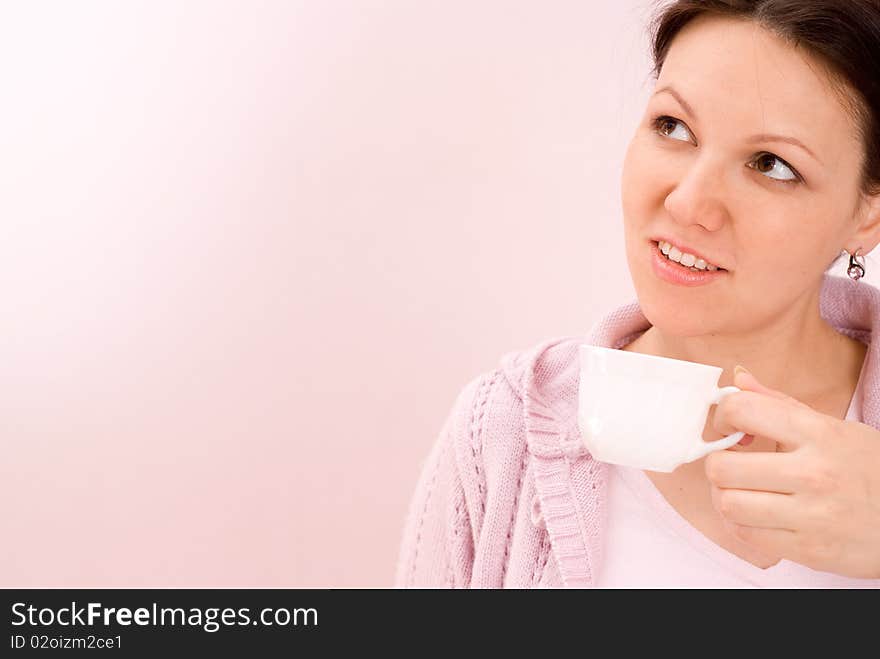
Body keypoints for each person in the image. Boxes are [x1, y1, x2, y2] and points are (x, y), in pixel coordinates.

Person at [394, 0, 880, 588]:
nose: (687, 203)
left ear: (867, 215)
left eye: (771, 165)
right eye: (673, 127)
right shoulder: (503, 435)